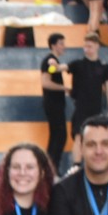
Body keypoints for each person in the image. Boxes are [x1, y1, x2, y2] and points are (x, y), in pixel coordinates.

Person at [66, 33, 108, 165]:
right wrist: (53, 66)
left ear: (97, 46)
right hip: (81, 108)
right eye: (85, 46)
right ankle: (76, 165)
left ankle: (94, 165)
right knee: (78, 136)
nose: (87, 49)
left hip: (96, 109)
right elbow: (62, 68)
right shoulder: (78, 64)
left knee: (94, 138)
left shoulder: (104, 66)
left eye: (90, 46)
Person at [40, 33, 70, 171]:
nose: (64, 46)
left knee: (56, 136)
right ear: (53, 45)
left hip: (56, 103)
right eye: (61, 43)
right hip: (53, 103)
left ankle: (50, 168)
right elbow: (46, 82)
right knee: (59, 136)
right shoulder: (49, 60)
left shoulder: (53, 62)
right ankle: (52, 168)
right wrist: (64, 88)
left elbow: (53, 70)